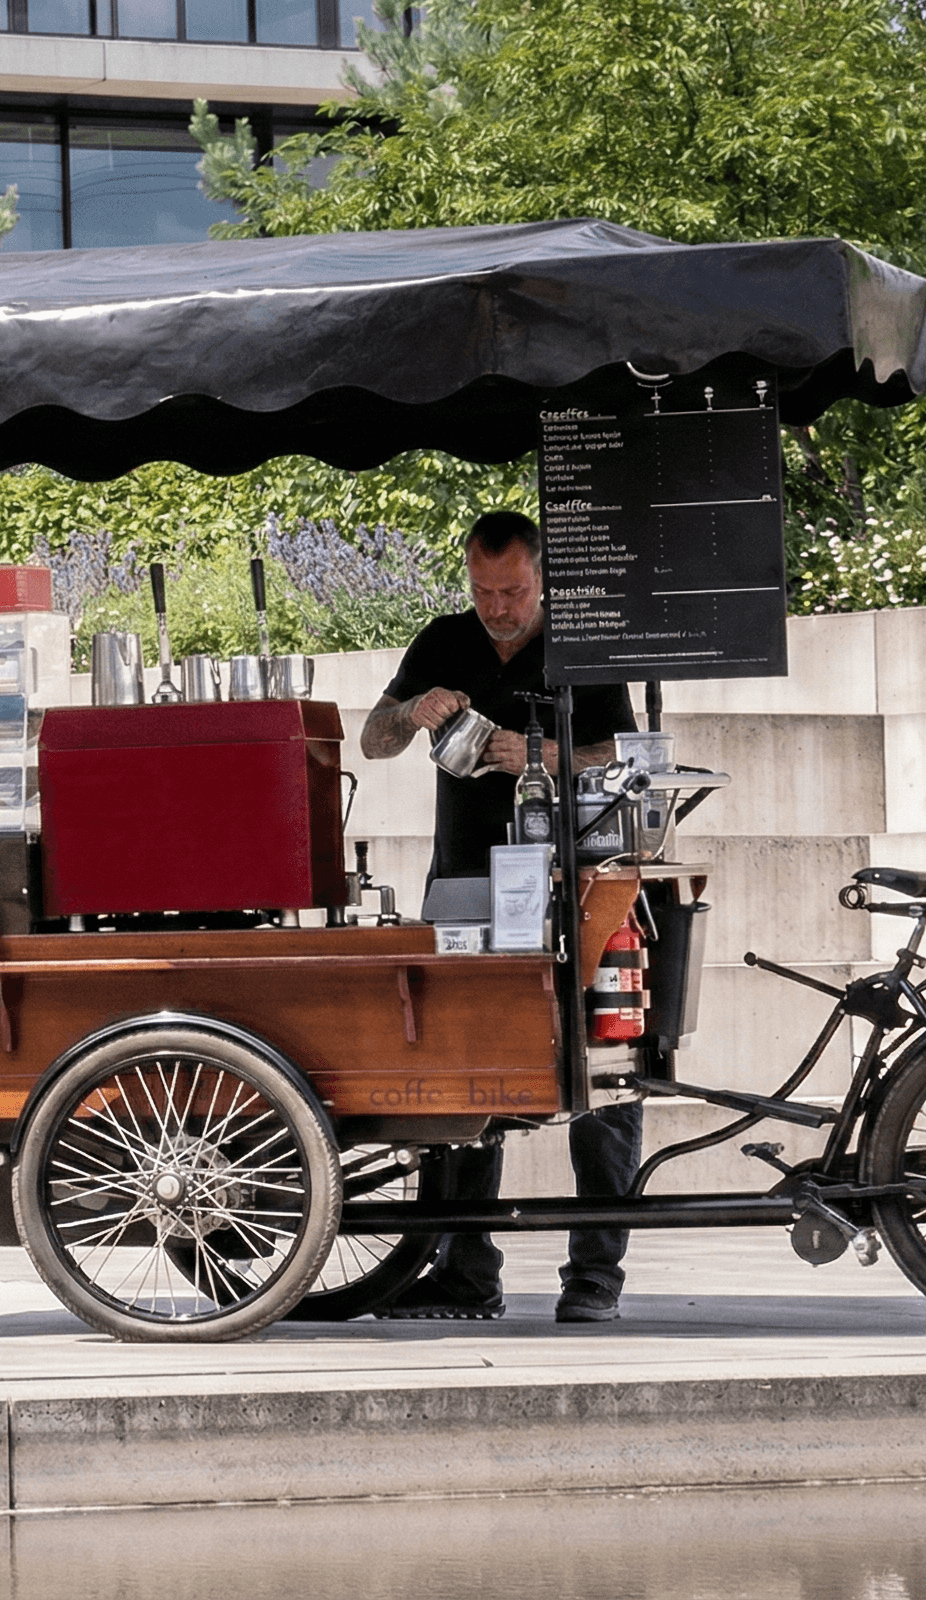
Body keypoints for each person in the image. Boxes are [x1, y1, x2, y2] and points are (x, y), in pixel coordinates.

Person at [357, 510, 640, 1323]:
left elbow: (623, 753)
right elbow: (372, 739)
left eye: (513, 591)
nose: (499, 608)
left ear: (541, 579)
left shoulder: (583, 640)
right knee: (456, 1074)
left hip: (573, 878)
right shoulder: (443, 639)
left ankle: (595, 1272)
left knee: (602, 1077)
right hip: (465, 879)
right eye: (485, 592)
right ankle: (464, 1270)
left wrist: (539, 753)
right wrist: (412, 714)